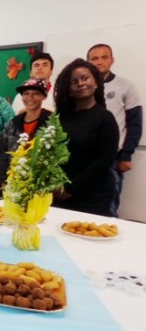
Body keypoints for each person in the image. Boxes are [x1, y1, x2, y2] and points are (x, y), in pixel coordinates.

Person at [53, 58, 119, 217]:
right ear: (67, 89)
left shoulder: (105, 118)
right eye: (73, 81)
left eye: (85, 78)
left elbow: (104, 161)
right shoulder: (60, 118)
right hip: (58, 193)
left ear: (95, 81)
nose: (80, 83)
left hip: (93, 195)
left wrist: (70, 188)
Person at [87, 44, 143, 217]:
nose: (99, 62)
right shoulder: (83, 87)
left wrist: (126, 154)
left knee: (108, 207)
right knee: (84, 206)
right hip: (86, 157)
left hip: (112, 157)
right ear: (88, 62)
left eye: (104, 57)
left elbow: (135, 123)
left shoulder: (125, 86)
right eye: (94, 58)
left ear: (112, 60)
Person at [0, 78, 52, 190]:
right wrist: (2, 181)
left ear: (44, 96)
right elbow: (2, 153)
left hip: (43, 187)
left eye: (36, 93)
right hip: (14, 186)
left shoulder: (51, 122)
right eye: (26, 93)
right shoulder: (13, 123)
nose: (30, 98)